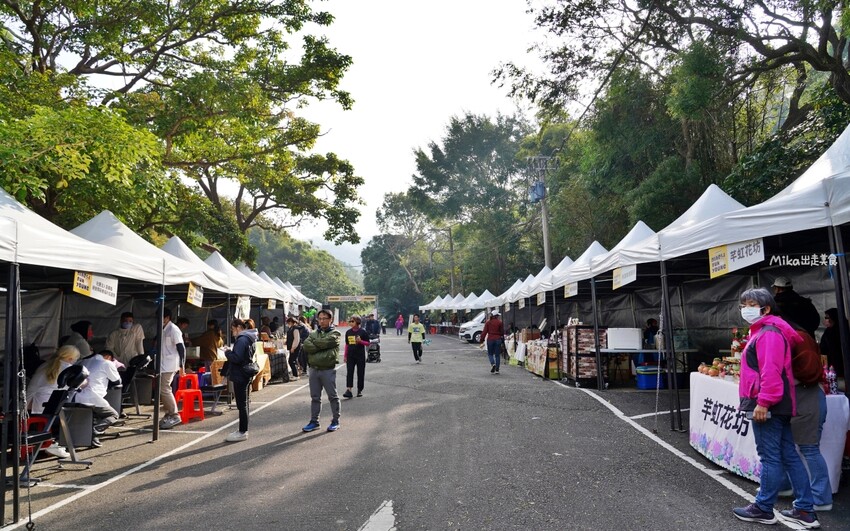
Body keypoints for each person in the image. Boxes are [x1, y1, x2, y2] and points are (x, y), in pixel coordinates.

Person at [732, 287, 818, 528]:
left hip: (770, 404)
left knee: (770, 456)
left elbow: (771, 371)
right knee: (788, 455)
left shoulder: (769, 333)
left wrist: (763, 402)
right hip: (779, 404)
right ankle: (804, 510)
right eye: (743, 305)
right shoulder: (769, 331)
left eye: (749, 304)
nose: (745, 310)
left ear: (766, 308)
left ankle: (763, 507)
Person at [26, 345, 81, 459]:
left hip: (30, 403)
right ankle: (53, 443)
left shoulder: (46, 364)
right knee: (68, 417)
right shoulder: (66, 368)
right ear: (71, 358)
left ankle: (51, 443)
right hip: (41, 406)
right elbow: (79, 383)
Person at [301, 309, 341, 433]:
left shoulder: (336, 333)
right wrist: (322, 346)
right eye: (320, 318)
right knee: (315, 397)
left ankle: (335, 420)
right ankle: (314, 421)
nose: (322, 321)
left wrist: (316, 344)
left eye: (325, 318)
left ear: (331, 319)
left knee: (332, 396)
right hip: (314, 369)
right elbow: (306, 345)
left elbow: (329, 342)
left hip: (327, 370)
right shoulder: (313, 333)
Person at [76, 349, 122, 448]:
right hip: (93, 396)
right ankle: (95, 431)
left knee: (95, 414)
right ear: (108, 357)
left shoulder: (84, 361)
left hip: (77, 396)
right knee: (113, 415)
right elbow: (117, 380)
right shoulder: (107, 363)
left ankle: (92, 439)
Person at [223, 318, 255, 442]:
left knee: (241, 404)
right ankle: (243, 430)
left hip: (240, 374)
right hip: (245, 373)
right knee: (244, 403)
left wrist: (227, 352)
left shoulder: (242, 339)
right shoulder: (249, 337)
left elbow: (237, 358)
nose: (232, 331)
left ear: (237, 327)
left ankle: (242, 431)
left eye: (232, 329)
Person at [158, 308, 185, 430]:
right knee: (162, 389)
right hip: (163, 364)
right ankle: (169, 413)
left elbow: (181, 348)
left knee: (165, 389)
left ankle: (174, 414)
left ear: (167, 317)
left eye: (161, 317)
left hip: (170, 365)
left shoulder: (174, 329)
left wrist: (182, 366)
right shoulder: (163, 329)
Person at [343, 315, 370, 398]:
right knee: (349, 372)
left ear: (357, 322)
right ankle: (349, 390)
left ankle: (359, 390)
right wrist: (345, 355)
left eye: (352, 321)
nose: (350, 323)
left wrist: (360, 341)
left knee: (360, 373)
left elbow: (368, 343)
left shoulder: (363, 332)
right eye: (350, 321)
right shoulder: (348, 332)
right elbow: (347, 344)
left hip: (360, 355)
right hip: (351, 355)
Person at [819, 308, 845, 378]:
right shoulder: (828, 331)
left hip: (840, 364)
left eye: (827, 317)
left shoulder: (842, 330)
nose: (826, 319)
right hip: (831, 366)